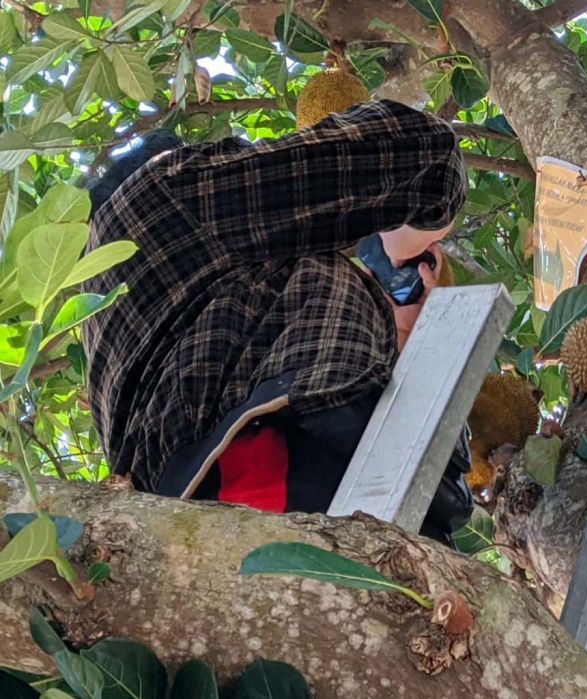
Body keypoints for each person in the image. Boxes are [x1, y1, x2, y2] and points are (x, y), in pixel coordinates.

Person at [81, 100, 474, 544]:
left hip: (209, 532)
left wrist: (397, 333)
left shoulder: (99, 330)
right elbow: (425, 153)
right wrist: (406, 238)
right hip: (282, 471)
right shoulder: (159, 188)